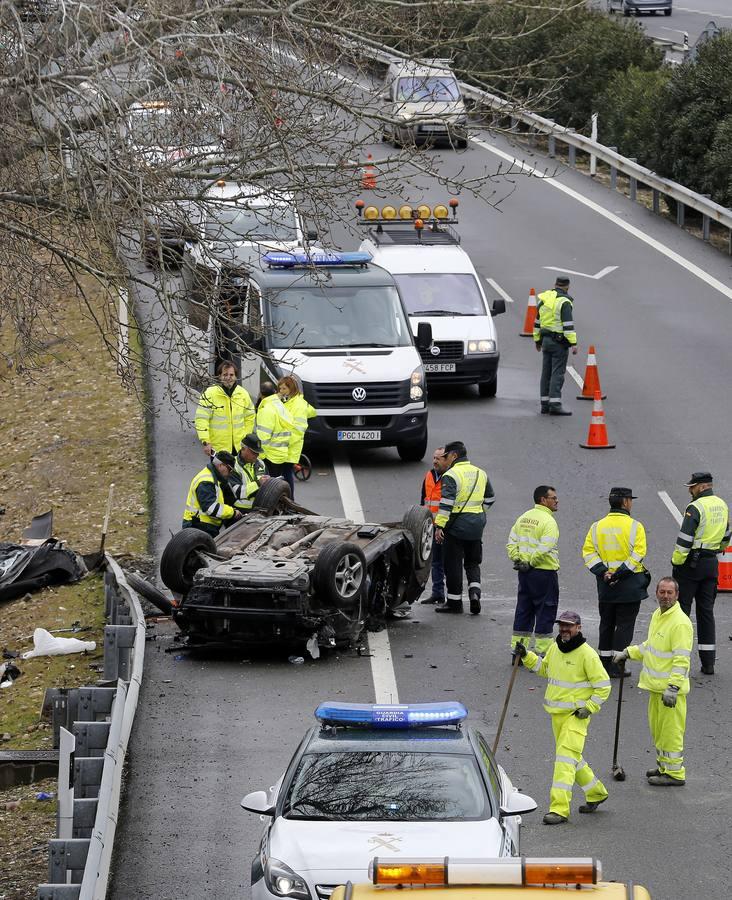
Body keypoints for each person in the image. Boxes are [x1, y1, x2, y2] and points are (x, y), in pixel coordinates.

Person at [513, 611, 611, 825]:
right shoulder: (556, 648)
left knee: (564, 761)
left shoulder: (587, 654)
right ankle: (596, 792)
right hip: (557, 715)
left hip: (576, 716)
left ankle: (559, 809)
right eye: (562, 626)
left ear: (579, 628)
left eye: (569, 626)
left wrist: (589, 708)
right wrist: (527, 655)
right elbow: (544, 669)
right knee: (572, 758)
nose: (564, 629)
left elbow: (604, 686)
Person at [613, 577, 693, 786]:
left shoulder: (680, 623)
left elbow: (681, 659)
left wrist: (673, 688)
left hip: (669, 691)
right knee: (659, 731)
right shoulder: (659, 615)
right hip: (656, 688)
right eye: (662, 592)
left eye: (669, 593)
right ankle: (664, 767)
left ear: (677, 595)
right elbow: (652, 646)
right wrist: (629, 652)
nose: (665, 596)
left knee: (671, 733)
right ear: (656, 593)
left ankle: (675, 774)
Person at [582, 487, 650, 679]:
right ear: (626, 502)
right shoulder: (635, 526)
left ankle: (603, 664)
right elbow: (638, 553)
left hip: (605, 585)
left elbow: (588, 553)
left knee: (606, 623)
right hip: (629, 585)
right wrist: (619, 573)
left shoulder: (597, 527)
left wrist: (605, 573)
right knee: (625, 625)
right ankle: (617, 664)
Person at [671, 471, 730, 675]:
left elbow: (685, 539)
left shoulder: (695, 507)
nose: (690, 490)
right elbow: (726, 536)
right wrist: (716, 548)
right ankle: (708, 663)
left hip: (691, 565)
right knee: (706, 613)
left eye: (692, 486)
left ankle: (680, 662)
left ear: (703, 486)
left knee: (682, 613)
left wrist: (677, 563)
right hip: (711, 564)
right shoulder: (722, 505)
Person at [433, 441, 494, 615]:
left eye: (445, 456)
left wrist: (439, 527)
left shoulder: (451, 475)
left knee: (452, 564)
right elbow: (490, 498)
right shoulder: (480, 473)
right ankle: (475, 594)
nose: (444, 460)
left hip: (456, 528)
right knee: (473, 562)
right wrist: (480, 514)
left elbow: (446, 504)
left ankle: (454, 603)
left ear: (454, 456)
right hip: (476, 527)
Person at [506, 486, 560, 658]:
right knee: (545, 611)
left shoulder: (523, 517)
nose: (556, 501)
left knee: (524, 610)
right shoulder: (549, 521)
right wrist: (531, 562)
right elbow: (546, 547)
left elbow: (511, 542)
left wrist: (518, 560)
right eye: (553, 498)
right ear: (543, 500)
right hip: (543, 573)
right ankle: (543, 653)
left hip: (524, 573)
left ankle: (518, 650)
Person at [533, 274, 577, 416]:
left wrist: (537, 341)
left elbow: (537, 322)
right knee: (557, 374)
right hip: (559, 342)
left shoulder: (544, 299)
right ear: (567, 286)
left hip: (545, 341)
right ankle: (555, 405)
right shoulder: (564, 302)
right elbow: (568, 325)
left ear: (555, 284)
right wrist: (573, 343)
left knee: (546, 373)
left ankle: (544, 405)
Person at [194, 361, 255, 455]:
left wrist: (246, 437)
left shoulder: (243, 394)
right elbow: (201, 419)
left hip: (239, 448)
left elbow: (250, 417)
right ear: (219, 376)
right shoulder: (210, 393)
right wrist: (206, 441)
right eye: (225, 374)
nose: (228, 378)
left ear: (235, 377)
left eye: (231, 375)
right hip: (218, 448)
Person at [182, 450, 241, 537]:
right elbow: (210, 507)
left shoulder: (214, 478)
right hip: (198, 526)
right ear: (221, 465)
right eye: (229, 469)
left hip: (203, 525)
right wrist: (232, 512)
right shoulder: (206, 481)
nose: (230, 473)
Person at [279, 375, 316, 499]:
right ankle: (289, 500)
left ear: (291, 388)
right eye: (280, 388)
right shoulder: (293, 401)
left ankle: (290, 500)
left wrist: (284, 443)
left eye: (283, 388)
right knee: (285, 472)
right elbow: (312, 412)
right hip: (287, 444)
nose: (281, 391)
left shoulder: (297, 404)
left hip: (290, 445)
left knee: (286, 473)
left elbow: (298, 430)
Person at [420, 446, 447, 605]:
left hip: (444, 527)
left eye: (439, 458)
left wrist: (443, 526)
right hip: (431, 527)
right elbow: (423, 500)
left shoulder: (450, 477)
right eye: (434, 458)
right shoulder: (429, 475)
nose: (435, 461)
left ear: (446, 460)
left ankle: (452, 595)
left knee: (448, 563)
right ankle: (438, 593)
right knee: (435, 561)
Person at [255, 381, 294, 477]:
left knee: (269, 487)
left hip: (269, 456)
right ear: (274, 392)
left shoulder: (266, 410)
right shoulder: (280, 406)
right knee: (277, 485)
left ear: (261, 394)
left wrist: (260, 456)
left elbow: (263, 437)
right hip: (280, 453)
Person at [229, 433, 269, 512]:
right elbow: (236, 492)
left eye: (258, 452)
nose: (257, 455)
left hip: (261, 510)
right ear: (243, 449)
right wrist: (258, 484)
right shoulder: (232, 466)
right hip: (241, 512)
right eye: (253, 452)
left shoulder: (261, 464)